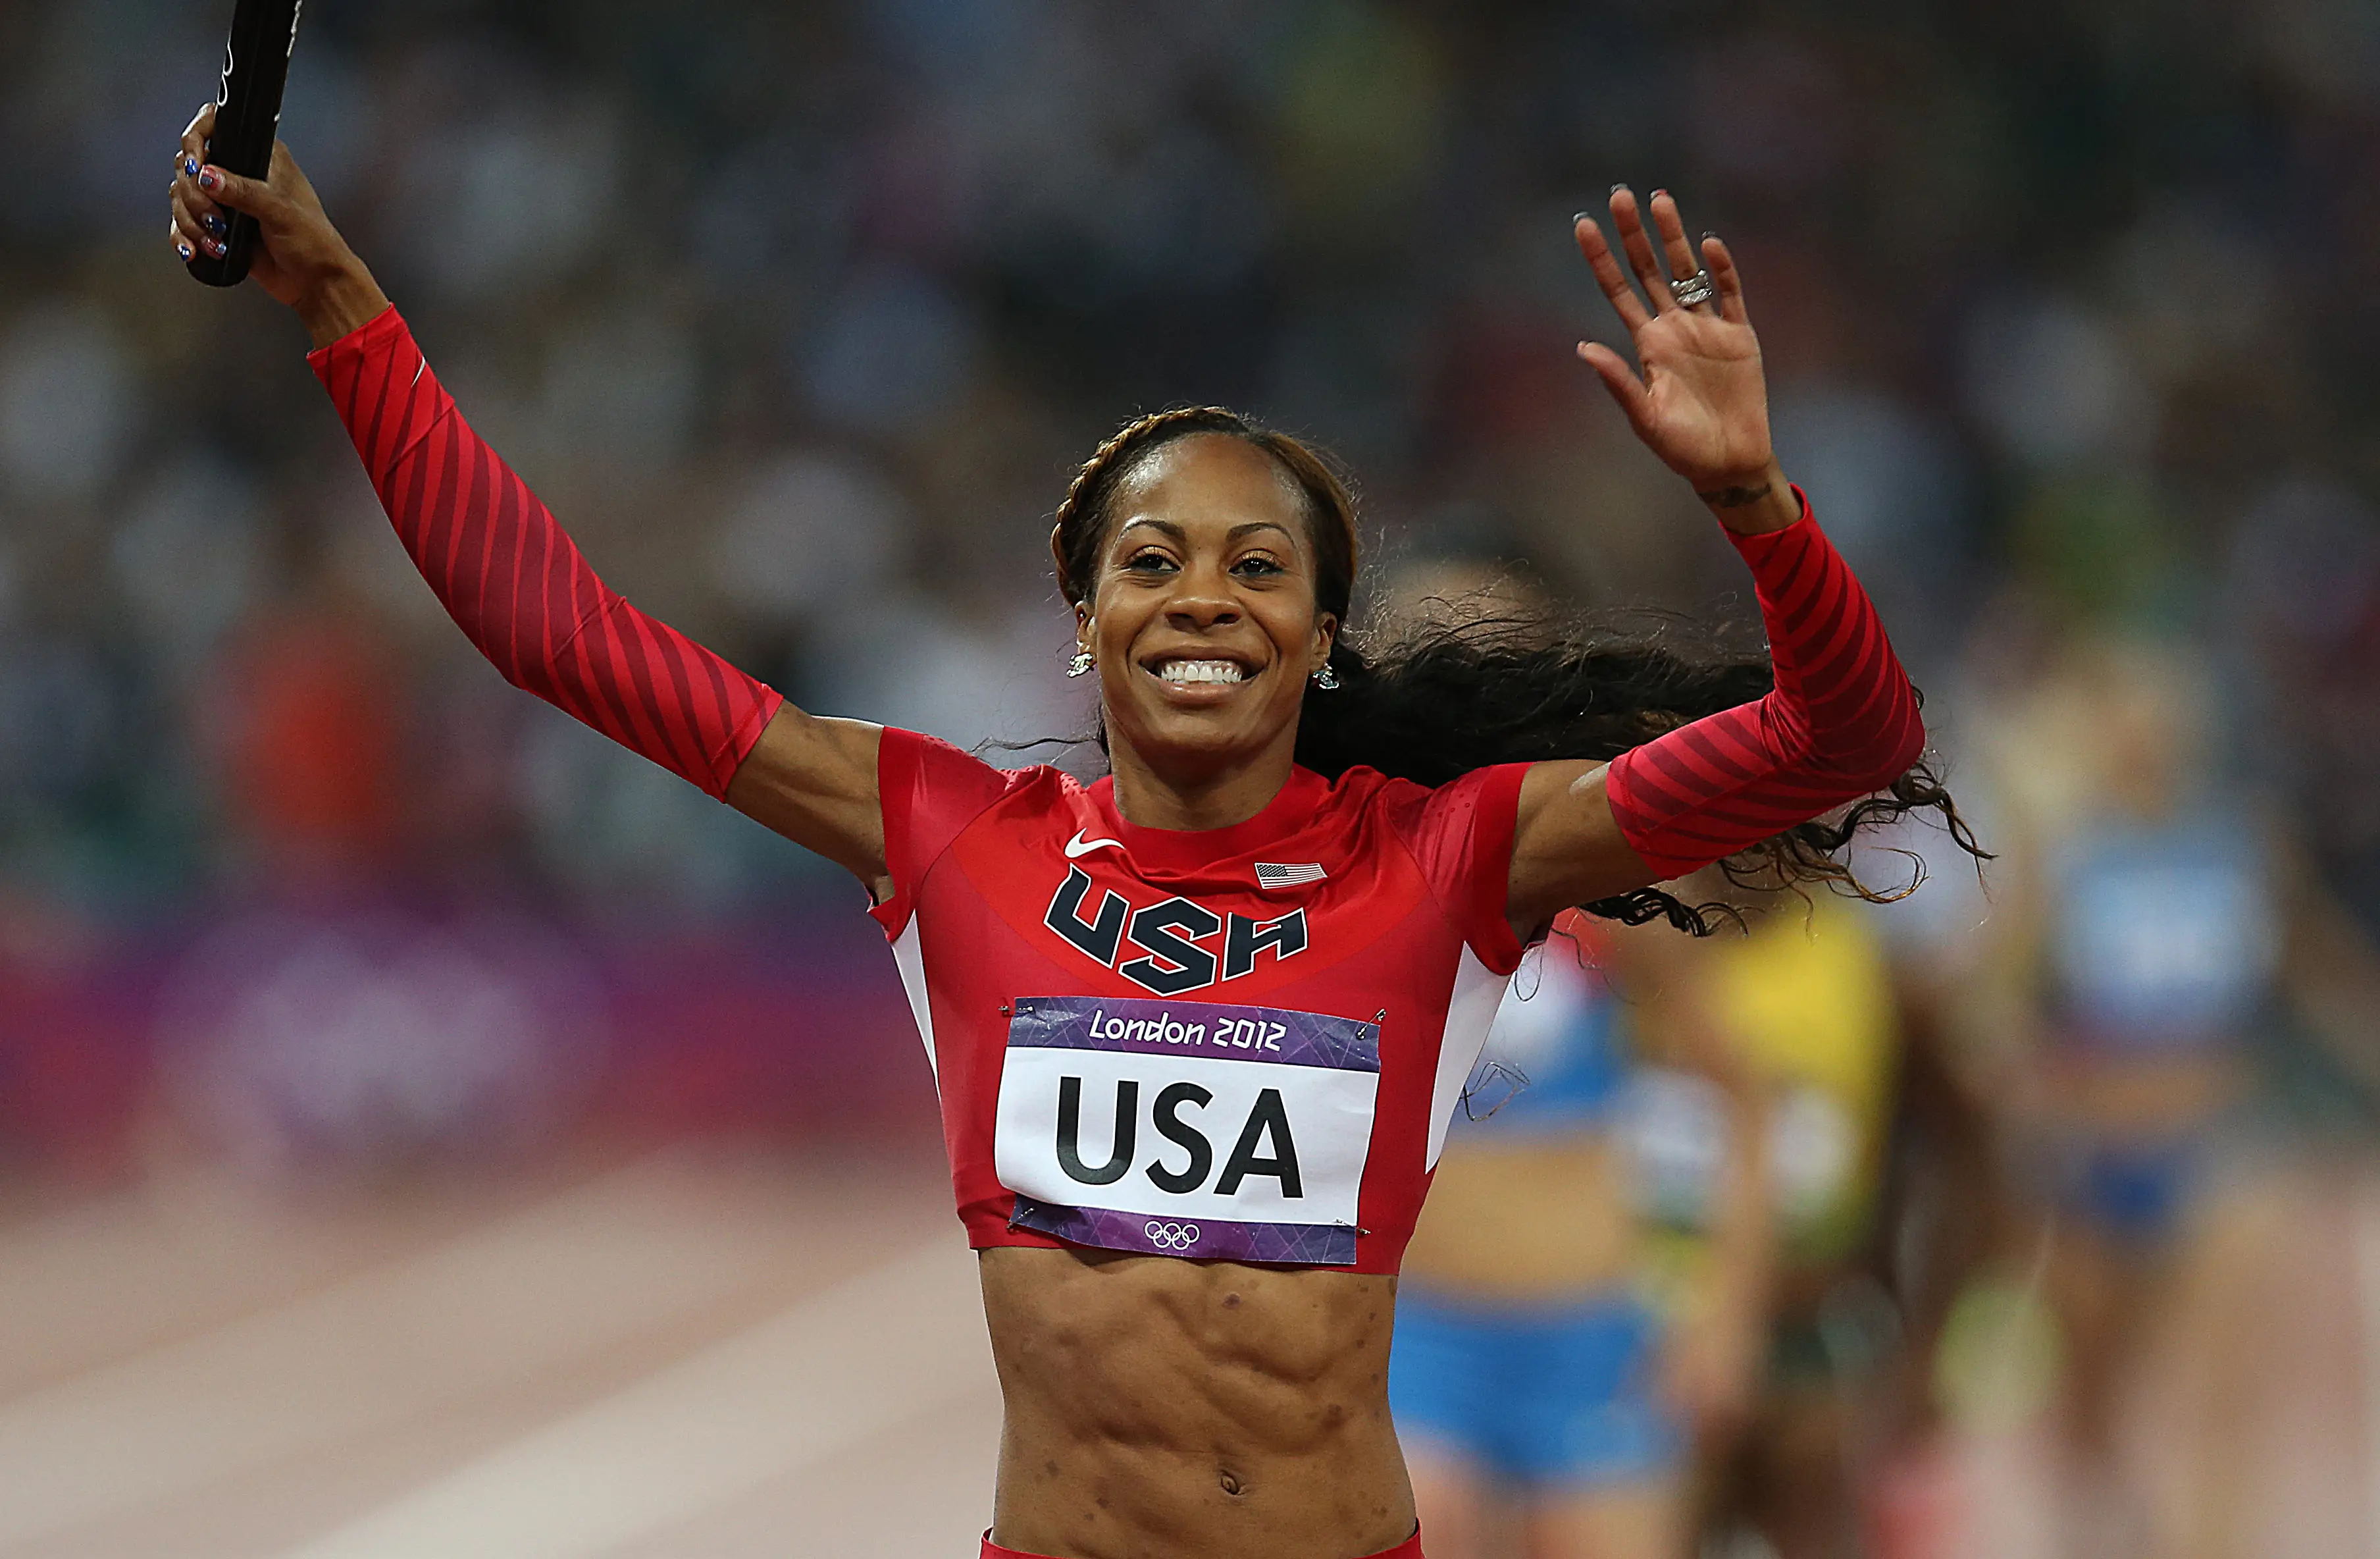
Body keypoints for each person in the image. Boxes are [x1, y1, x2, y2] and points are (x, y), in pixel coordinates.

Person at [169, 103, 1965, 1559]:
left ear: (1325, 635)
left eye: (1261, 567)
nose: (1206, 599)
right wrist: (341, 304)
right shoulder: (943, 832)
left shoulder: (1456, 860)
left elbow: (1848, 738)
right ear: (1083, 618)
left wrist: (1752, 497)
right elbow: (554, 634)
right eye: (1152, 564)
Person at [1393, 909, 1771, 1559]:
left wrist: (1727, 1315)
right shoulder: (1389, 890)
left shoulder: (1607, 893)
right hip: (1423, 1336)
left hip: (1588, 1338)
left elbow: (1745, 1099)